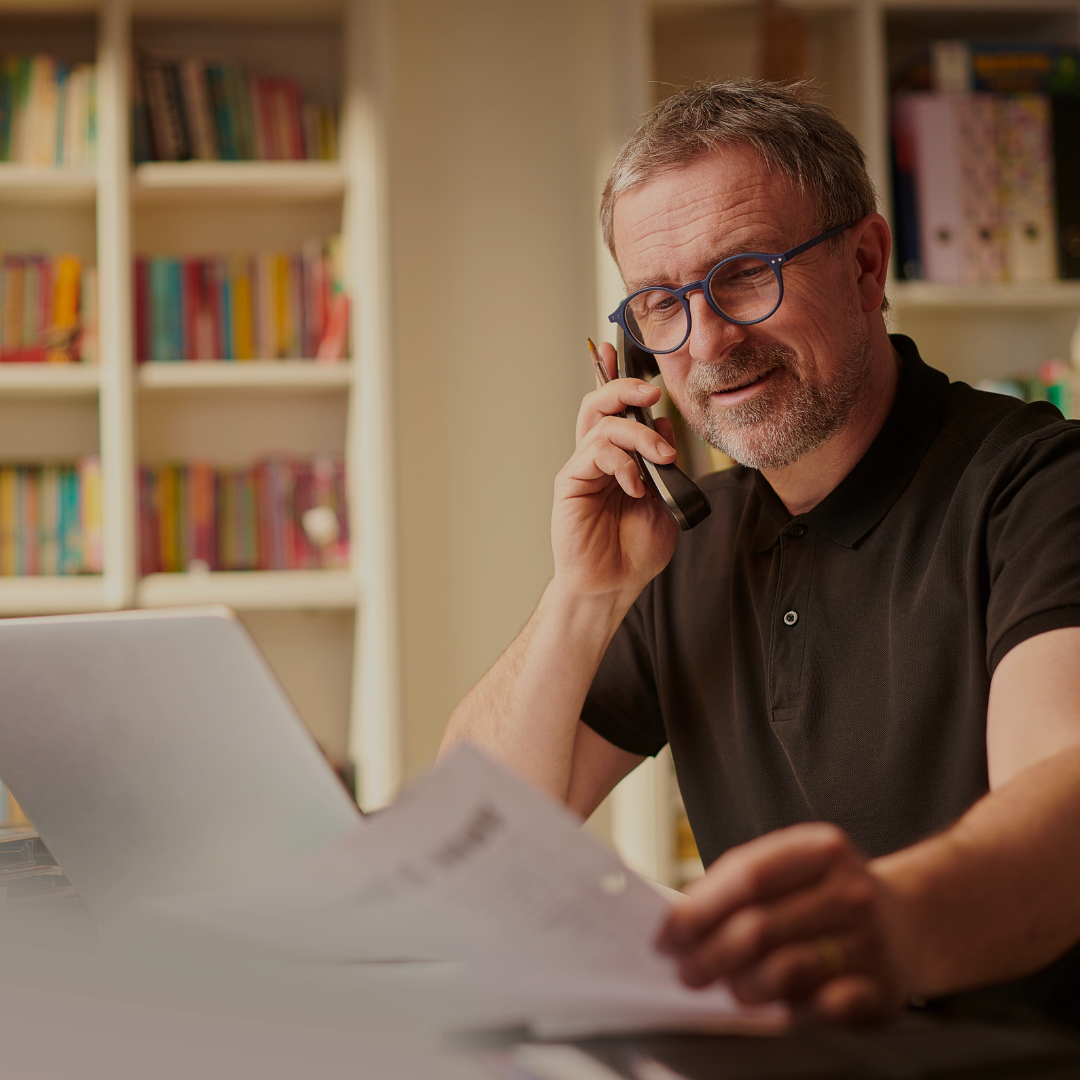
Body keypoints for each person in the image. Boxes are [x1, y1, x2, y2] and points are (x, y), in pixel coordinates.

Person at [441, 81, 1080, 1025]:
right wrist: (584, 594)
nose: (707, 343)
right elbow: (466, 840)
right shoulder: (675, 548)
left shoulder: (1037, 486)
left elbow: (1064, 814)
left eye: (745, 273)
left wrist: (884, 927)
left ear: (866, 265)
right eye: (661, 303)